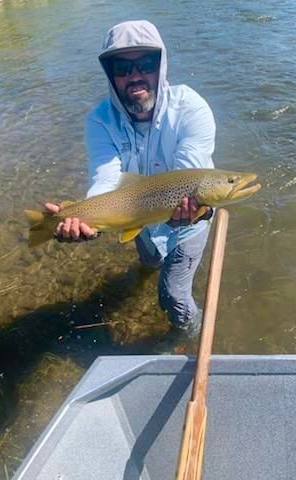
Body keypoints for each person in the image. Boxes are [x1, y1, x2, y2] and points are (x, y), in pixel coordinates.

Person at [45, 20, 216, 337]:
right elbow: (105, 177)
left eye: (146, 64)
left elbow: (189, 178)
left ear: (160, 66)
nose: (135, 75)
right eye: (123, 67)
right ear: (110, 74)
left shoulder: (191, 108)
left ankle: (190, 337)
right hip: (134, 216)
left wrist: (190, 211)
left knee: (173, 298)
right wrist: (85, 221)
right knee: (148, 262)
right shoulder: (99, 120)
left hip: (189, 221)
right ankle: (149, 272)